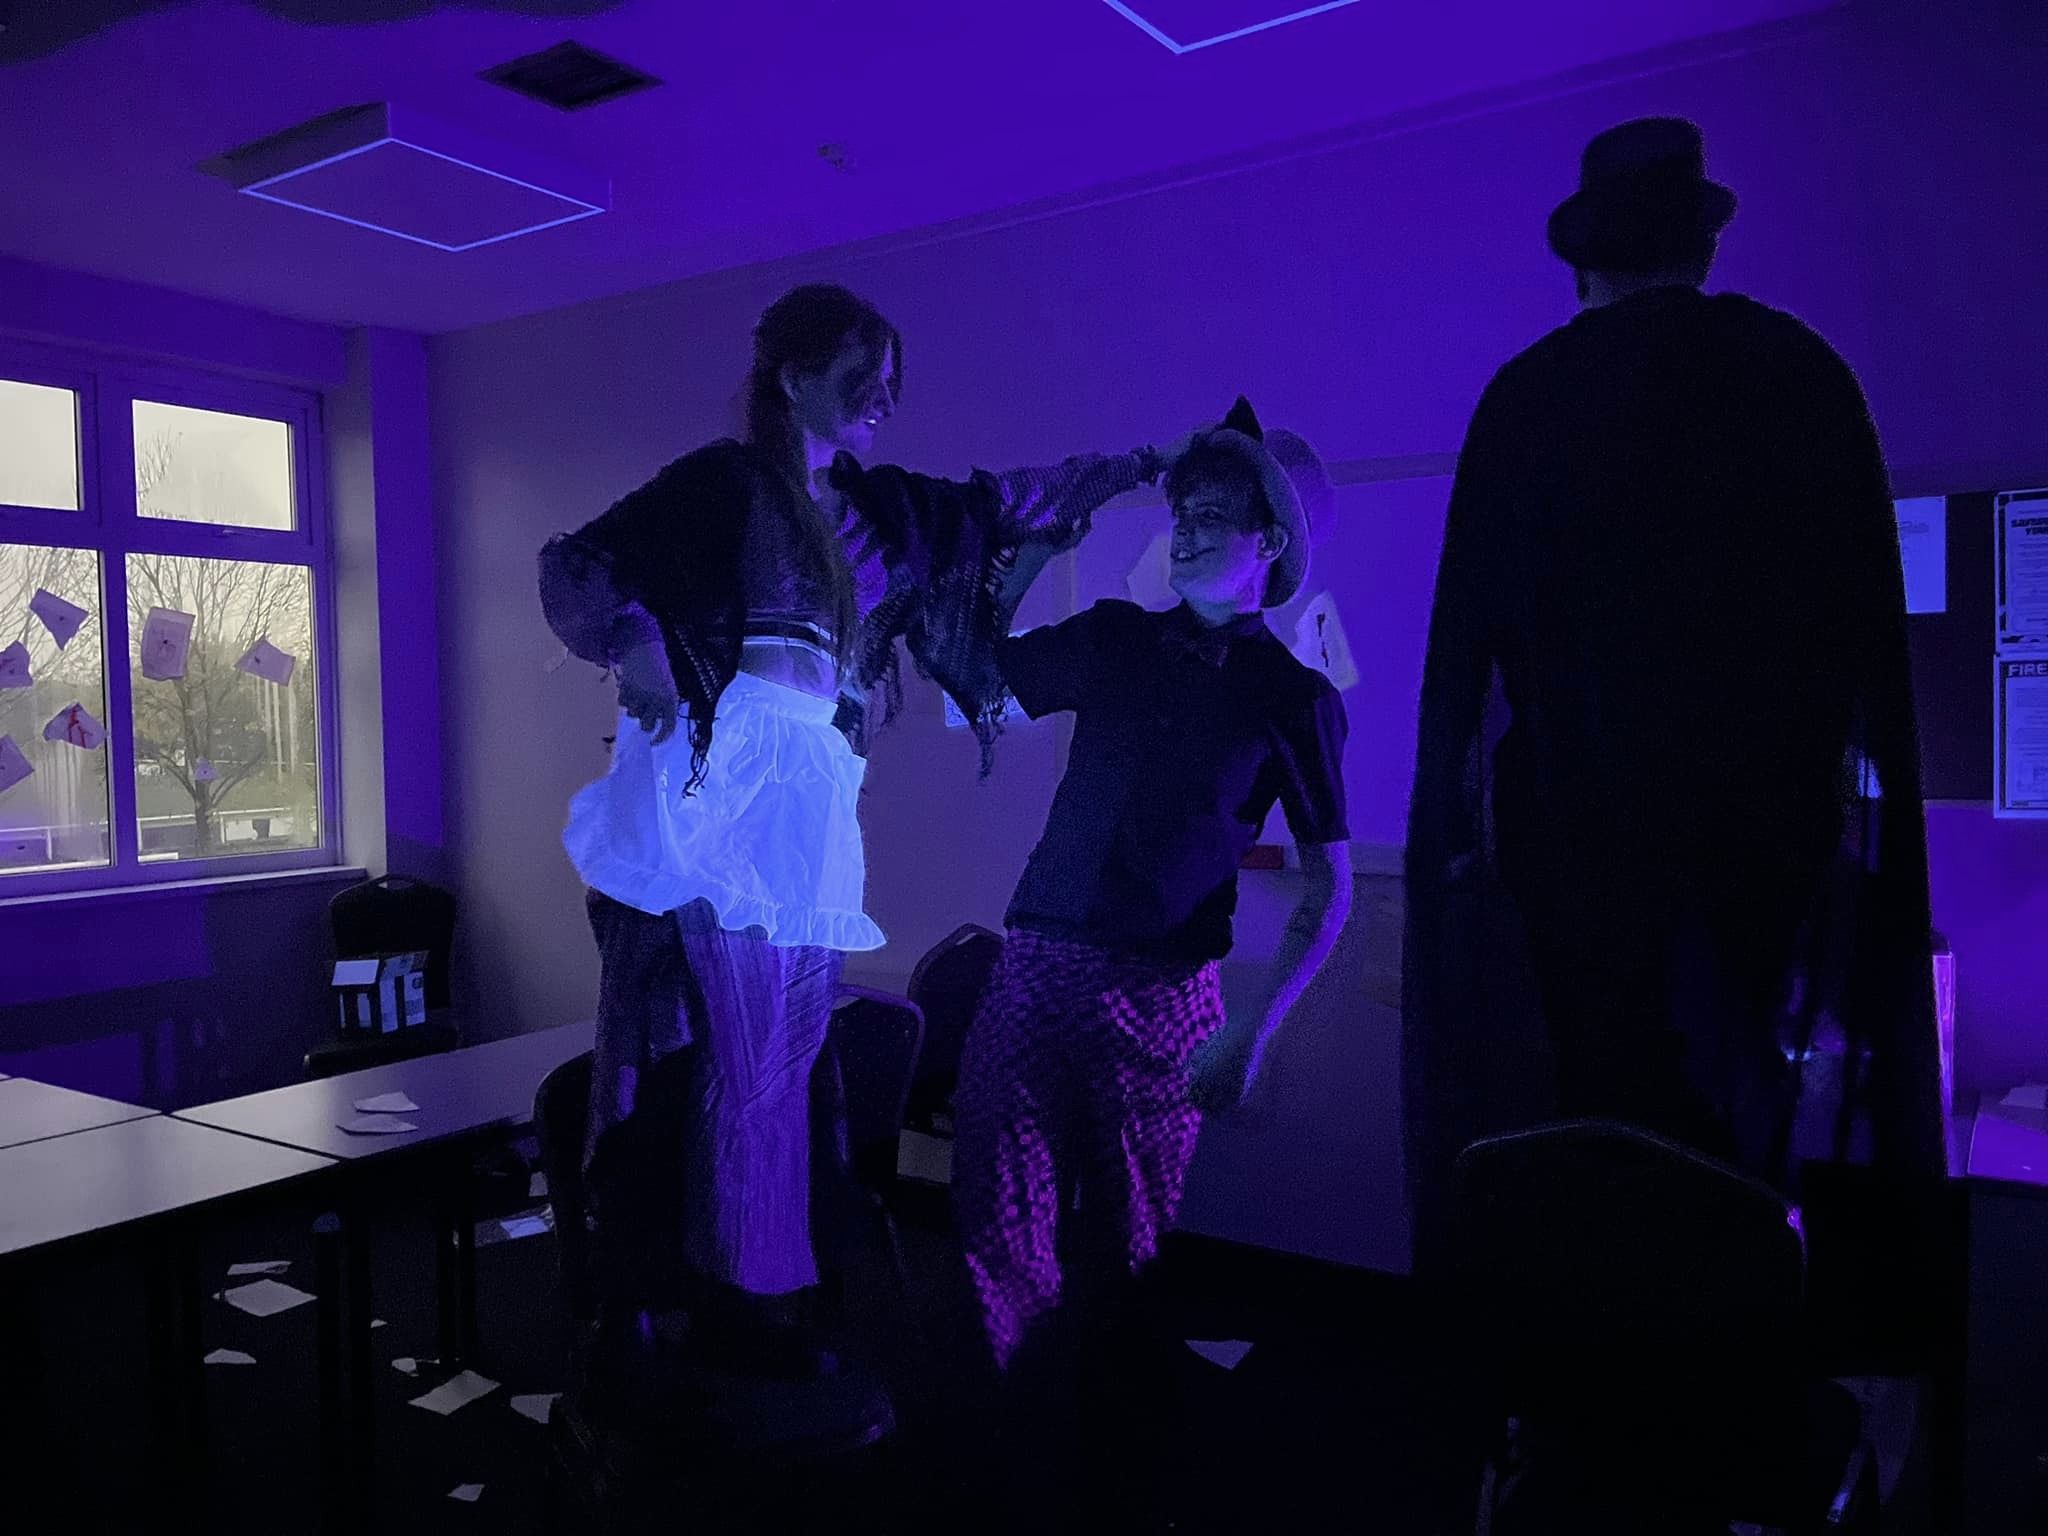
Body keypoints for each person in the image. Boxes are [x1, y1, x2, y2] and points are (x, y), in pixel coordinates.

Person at [538, 283, 1182, 1381]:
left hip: (813, 804)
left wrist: (1147, 460)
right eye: (860, 377)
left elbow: (1003, 500)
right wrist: (637, 641)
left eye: (891, 381)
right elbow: (579, 569)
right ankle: (744, 1302)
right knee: (745, 1062)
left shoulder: (881, 510)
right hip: (727, 796)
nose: (883, 397)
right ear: (793, 378)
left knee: (787, 1063)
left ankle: (767, 1287)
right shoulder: (724, 485)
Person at [1403, 118, 1943, 1247]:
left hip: (1573, 855)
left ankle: (1596, 1335)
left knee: (1591, 1123)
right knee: (1731, 1130)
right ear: (1700, 245)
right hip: (1762, 845)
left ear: (1583, 262)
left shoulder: (1528, 400)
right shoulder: (1797, 375)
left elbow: (1464, 670)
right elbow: (1863, 650)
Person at [952, 399, 1352, 1402]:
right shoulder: (1114, 635)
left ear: (1268, 543)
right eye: (1183, 510)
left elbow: (1329, 888)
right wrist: (1034, 554)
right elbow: (975, 676)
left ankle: (1106, 1437)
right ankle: (1011, 1422)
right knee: (995, 1212)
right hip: (1034, 963)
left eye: (1213, 514)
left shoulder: (1293, 697)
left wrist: (1250, 1035)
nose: (1186, 528)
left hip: (1163, 994)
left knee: (1125, 1246)